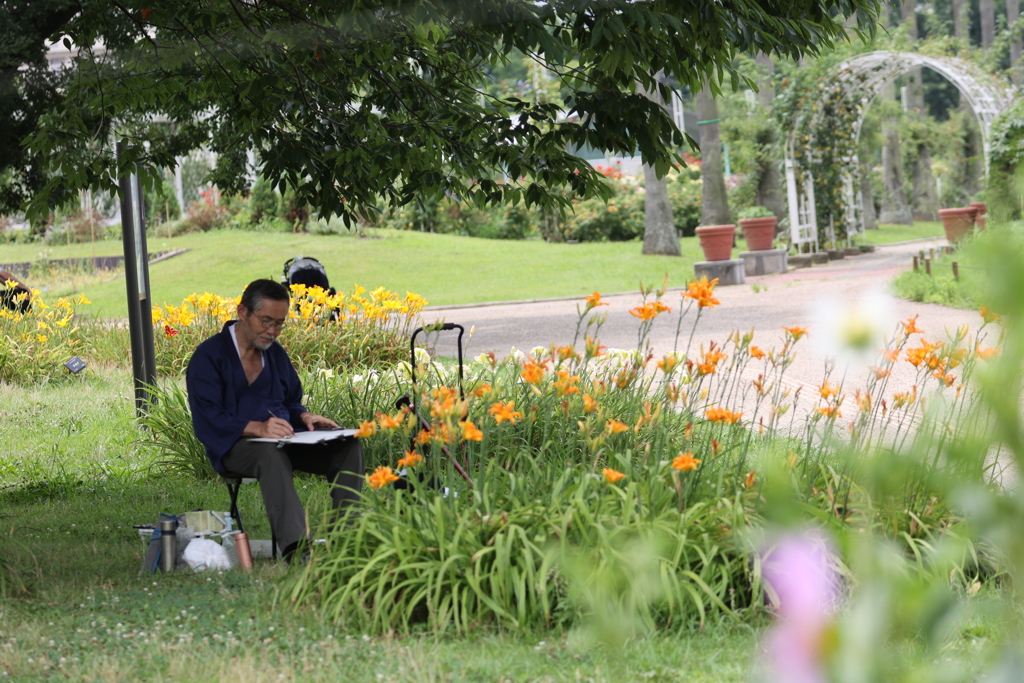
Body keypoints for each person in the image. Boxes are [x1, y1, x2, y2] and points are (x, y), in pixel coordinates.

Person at [185, 279, 363, 562]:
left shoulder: (275, 354)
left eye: (279, 323)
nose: (272, 331)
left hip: (284, 440)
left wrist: (304, 416)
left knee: (347, 447)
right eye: (266, 321)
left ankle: (347, 540)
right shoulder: (209, 356)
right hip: (235, 446)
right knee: (269, 453)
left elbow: (289, 401)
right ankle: (297, 549)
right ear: (243, 312)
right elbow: (208, 416)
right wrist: (258, 427)